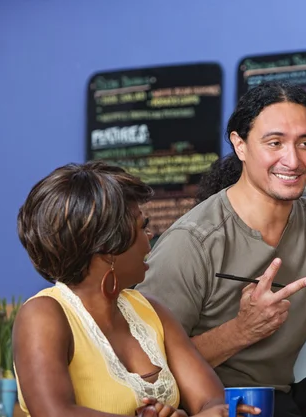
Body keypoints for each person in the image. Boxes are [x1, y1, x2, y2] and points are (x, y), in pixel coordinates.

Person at [136, 81, 306, 417]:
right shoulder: (192, 240)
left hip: (280, 398)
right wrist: (240, 331)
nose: (293, 159)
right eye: (275, 143)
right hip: (212, 405)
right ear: (239, 145)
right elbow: (147, 370)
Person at [14, 162, 260, 417]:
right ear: (108, 245)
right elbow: (54, 413)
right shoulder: (43, 314)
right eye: (142, 227)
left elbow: (211, 401)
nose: (150, 236)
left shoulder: (152, 311)